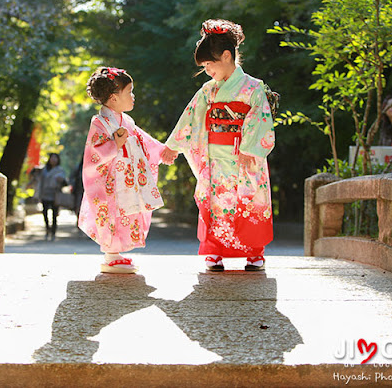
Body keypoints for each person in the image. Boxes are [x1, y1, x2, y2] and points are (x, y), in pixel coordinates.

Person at [161, 19, 275, 272]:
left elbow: (260, 120)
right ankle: (215, 252)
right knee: (216, 204)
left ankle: (254, 253)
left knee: (249, 202)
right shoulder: (207, 91)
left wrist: (249, 149)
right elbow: (190, 118)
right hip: (215, 160)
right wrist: (173, 146)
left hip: (245, 158)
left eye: (209, 66)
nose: (208, 72)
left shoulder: (254, 88)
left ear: (226, 56)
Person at [78, 67, 173, 274]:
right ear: (113, 99)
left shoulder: (127, 121)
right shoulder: (100, 123)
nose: (133, 96)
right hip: (110, 183)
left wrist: (162, 151)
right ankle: (111, 254)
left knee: (127, 214)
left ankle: (116, 253)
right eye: (129, 92)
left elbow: (144, 140)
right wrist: (114, 145)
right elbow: (93, 155)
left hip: (127, 180)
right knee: (112, 215)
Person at [37, 153, 67, 241]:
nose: (53, 160)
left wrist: (61, 180)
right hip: (45, 194)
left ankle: (53, 232)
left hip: (55, 194)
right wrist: (39, 195)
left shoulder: (60, 170)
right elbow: (40, 183)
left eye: (55, 158)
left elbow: (65, 183)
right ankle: (47, 229)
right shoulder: (44, 170)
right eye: (52, 158)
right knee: (45, 213)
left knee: (54, 214)